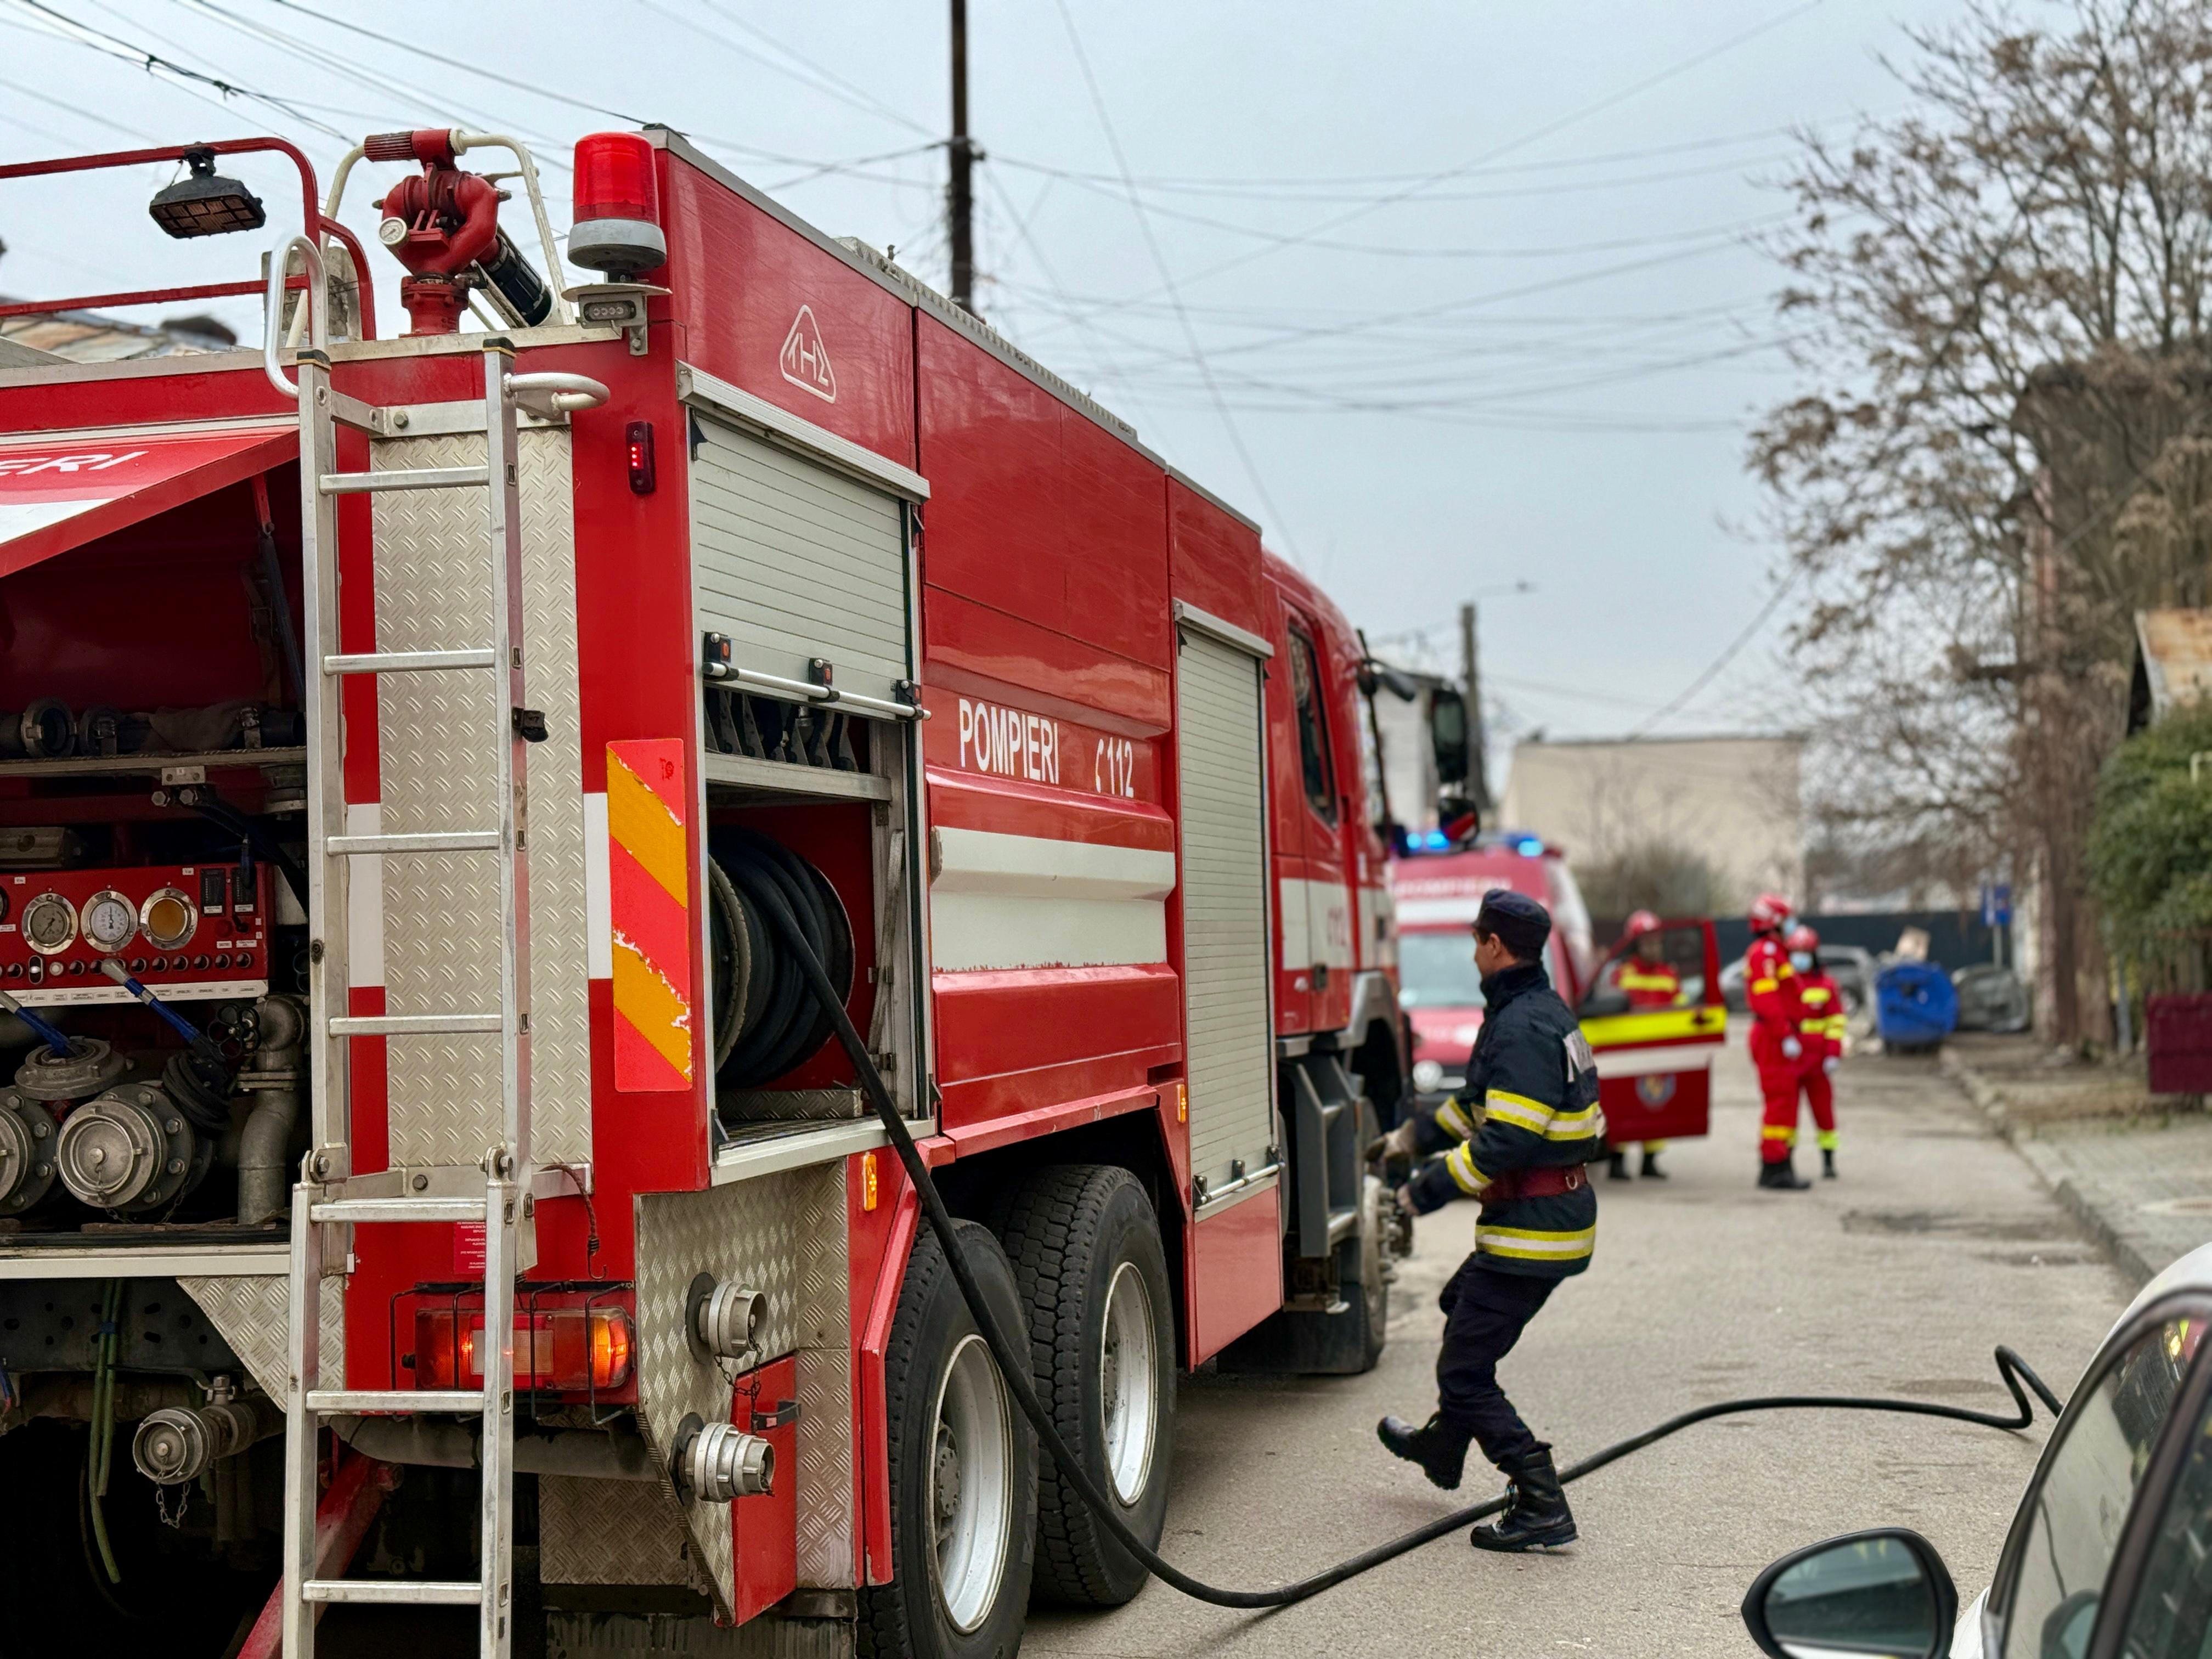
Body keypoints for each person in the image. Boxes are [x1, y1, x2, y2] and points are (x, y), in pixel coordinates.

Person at [1375, 888, 1598, 1553]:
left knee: (1465, 1374)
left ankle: (1540, 1501)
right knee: (1458, 1303)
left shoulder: (1525, 1027)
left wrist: (1426, 1189)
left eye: (1477, 940)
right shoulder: (1532, 1013)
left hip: (1534, 1226)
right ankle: (1445, 1449)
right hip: (1542, 1217)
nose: (1474, 950)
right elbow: (1479, 1106)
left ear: (1495, 946)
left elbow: (1506, 1140)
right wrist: (1411, 1137)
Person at [1605, 909, 1679, 1181]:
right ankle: (1618, 1162)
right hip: (1628, 1049)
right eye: (1648, 942)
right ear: (1636, 944)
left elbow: (1679, 1007)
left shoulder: (1669, 974)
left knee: (1656, 1101)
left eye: (1657, 942)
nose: (1654, 947)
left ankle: (1650, 1162)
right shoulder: (1622, 974)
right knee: (1623, 1105)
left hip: (1658, 1049)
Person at [1745, 891, 1812, 1190]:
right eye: (1787, 919)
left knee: (1785, 1103)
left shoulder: (1774, 951)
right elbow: (1767, 999)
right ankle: (1775, 1169)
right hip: (1773, 1037)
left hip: (1778, 1035)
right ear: (1774, 921)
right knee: (1779, 1104)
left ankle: (1780, 1165)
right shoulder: (1766, 953)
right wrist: (1785, 1034)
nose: (1792, 925)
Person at [1786, 924, 1843, 1178]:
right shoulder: (1784, 983)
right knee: (1786, 1114)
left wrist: (1833, 1053)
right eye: (1796, 952)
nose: (1800, 958)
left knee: (1824, 1112)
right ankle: (1785, 1162)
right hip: (1790, 1060)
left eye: (1805, 952)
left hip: (1818, 1062)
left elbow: (1835, 1022)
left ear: (1814, 955)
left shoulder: (1826, 985)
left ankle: (1829, 1162)